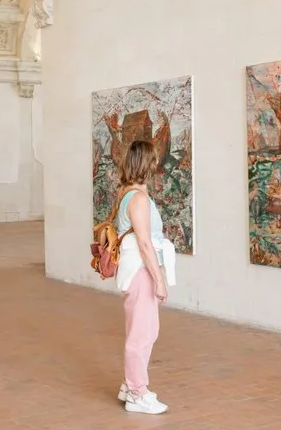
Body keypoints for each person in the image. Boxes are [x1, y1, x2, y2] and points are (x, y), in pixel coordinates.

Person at [113, 140, 176, 415]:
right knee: (143, 333)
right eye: (153, 160)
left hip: (138, 271)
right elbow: (146, 243)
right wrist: (159, 279)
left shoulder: (129, 193)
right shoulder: (137, 199)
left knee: (143, 330)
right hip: (141, 272)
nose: (157, 164)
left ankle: (130, 385)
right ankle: (138, 393)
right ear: (146, 164)